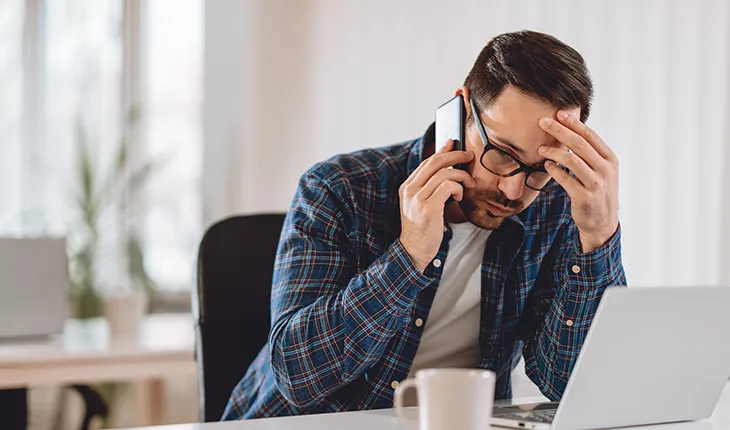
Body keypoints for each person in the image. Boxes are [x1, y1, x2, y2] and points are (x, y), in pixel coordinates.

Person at [223, 30, 626, 420]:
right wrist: (410, 253)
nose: (513, 188)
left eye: (540, 168)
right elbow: (298, 375)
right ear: (462, 111)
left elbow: (569, 382)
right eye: (502, 154)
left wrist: (599, 237)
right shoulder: (339, 188)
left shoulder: (556, 205)